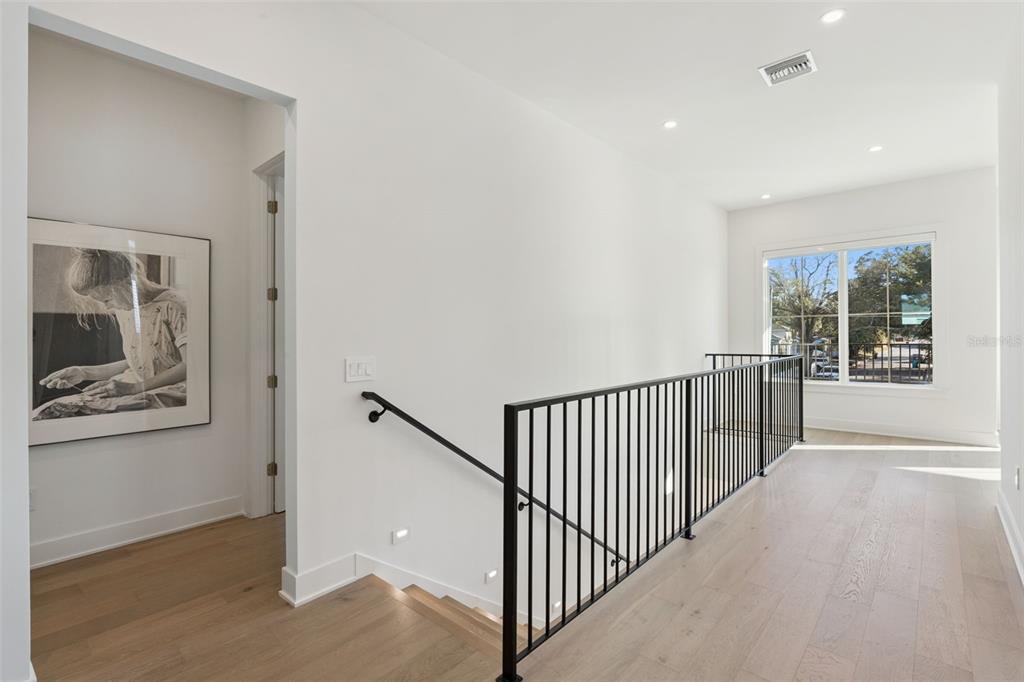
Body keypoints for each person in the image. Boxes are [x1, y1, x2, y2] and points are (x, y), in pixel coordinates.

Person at [34, 248, 187, 419]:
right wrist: (84, 372)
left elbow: (192, 366)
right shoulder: (125, 310)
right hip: (137, 385)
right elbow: (143, 362)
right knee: (53, 412)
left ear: (127, 282)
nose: (107, 307)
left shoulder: (174, 306)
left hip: (173, 390)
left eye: (107, 299)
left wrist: (136, 388)